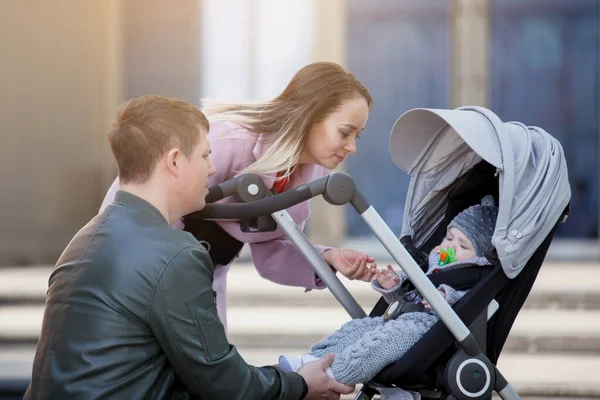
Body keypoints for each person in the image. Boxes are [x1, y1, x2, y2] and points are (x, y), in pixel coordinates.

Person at [24, 95, 355, 400]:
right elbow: (226, 385)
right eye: (206, 155)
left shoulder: (81, 241)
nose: (212, 169)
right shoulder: (176, 255)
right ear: (175, 161)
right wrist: (300, 384)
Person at [100, 62, 377, 327]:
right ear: (312, 117)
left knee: (207, 371)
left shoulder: (313, 173)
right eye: (345, 132)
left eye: (358, 136)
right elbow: (136, 196)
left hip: (205, 282)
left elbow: (272, 254)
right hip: (144, 273)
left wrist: (327, 259)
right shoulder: (225, 141)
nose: (351, 147)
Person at [278, 196, 499, 399]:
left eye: (462, 245)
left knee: (380, 345)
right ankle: (315, 359)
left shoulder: (471, 277)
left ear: (480, 258)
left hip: (427, 329)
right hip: (400, 318)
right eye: (449, 237)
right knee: (357, 328)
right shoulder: (432, 266)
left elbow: (466, 301)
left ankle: (335, 373)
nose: (450, 246)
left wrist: (444, 297)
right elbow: (407, 291)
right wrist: (392, 284)